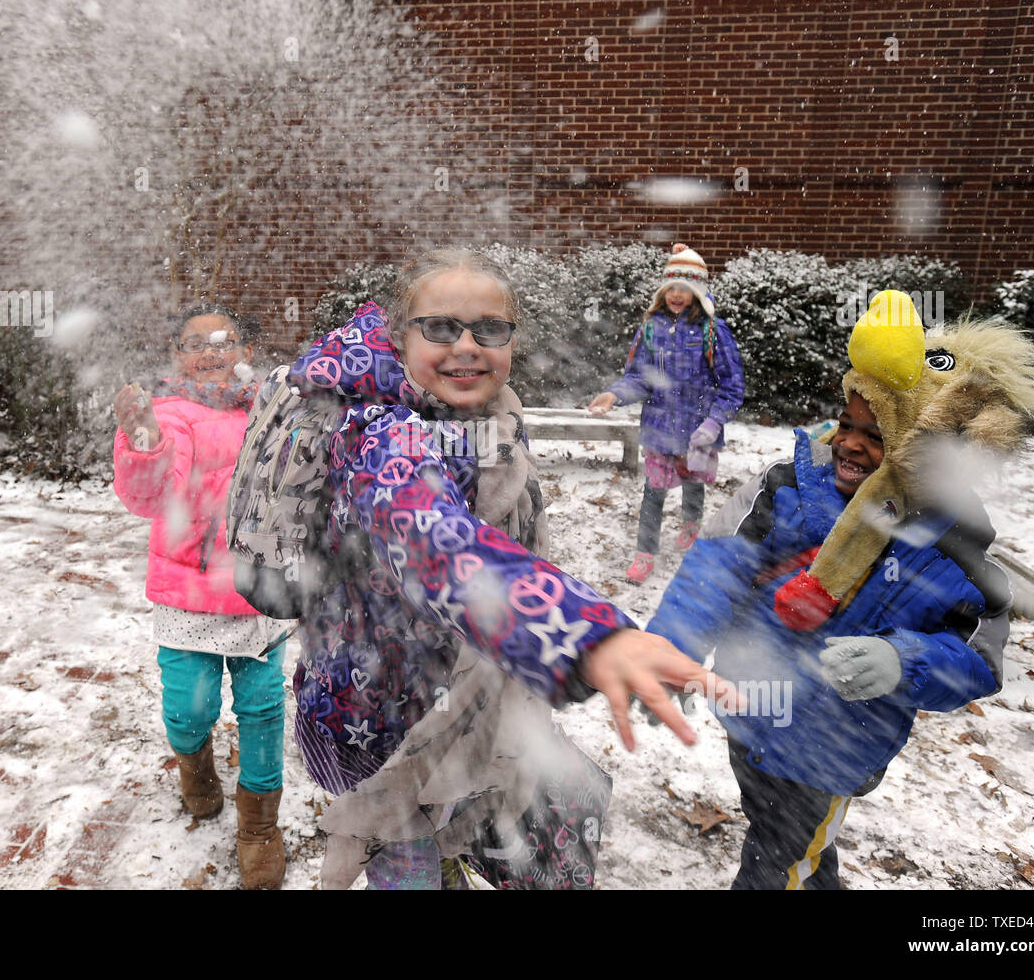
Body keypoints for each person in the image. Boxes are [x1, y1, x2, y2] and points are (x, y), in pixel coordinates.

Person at [286, 248, 735, 889]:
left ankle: (445, 857)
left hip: (462, 699)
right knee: (406, 861)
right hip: (378, 721)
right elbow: (434, 539)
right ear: (398, 337)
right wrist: (583, 635)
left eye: (489, 330)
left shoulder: (495, 418)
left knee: (468, 833)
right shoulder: (378, 432)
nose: (466, 346)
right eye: (440, 327)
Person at [645, 292, 1034, 889]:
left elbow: (979, 657)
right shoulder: (789, 487)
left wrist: (904, 660)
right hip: (748, 712)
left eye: (879, 433)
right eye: (847, 423)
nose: (850, 443)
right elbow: (718, 566)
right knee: (794, 849)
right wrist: (671, 648)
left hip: (834, 750)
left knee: (775, 867)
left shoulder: (954, 542)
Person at [112, 306, 287, 890]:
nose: (211, 351)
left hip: (261, 585)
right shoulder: (172, 414)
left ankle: (259, 826)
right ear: (176, 356)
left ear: (246, 349)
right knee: (190, 708)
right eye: (195, 343)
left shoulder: (275, 407)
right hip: (188, 590)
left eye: (224, 340)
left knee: (262, 709)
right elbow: (152, 495)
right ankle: (196, 769)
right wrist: (145, 443)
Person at [589, 244, 744, 584]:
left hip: (697, 432)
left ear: (698, 292)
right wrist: (614, 395)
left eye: (685, 289)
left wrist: (714, 421)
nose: (676, 295)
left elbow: (732, 387)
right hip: (660, 429)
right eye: (670, 288)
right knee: (653, 494)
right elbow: (640, 378)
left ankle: (691, 528)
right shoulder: (651, 329)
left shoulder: (714, 332)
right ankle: (645, 554)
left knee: (692, 485)